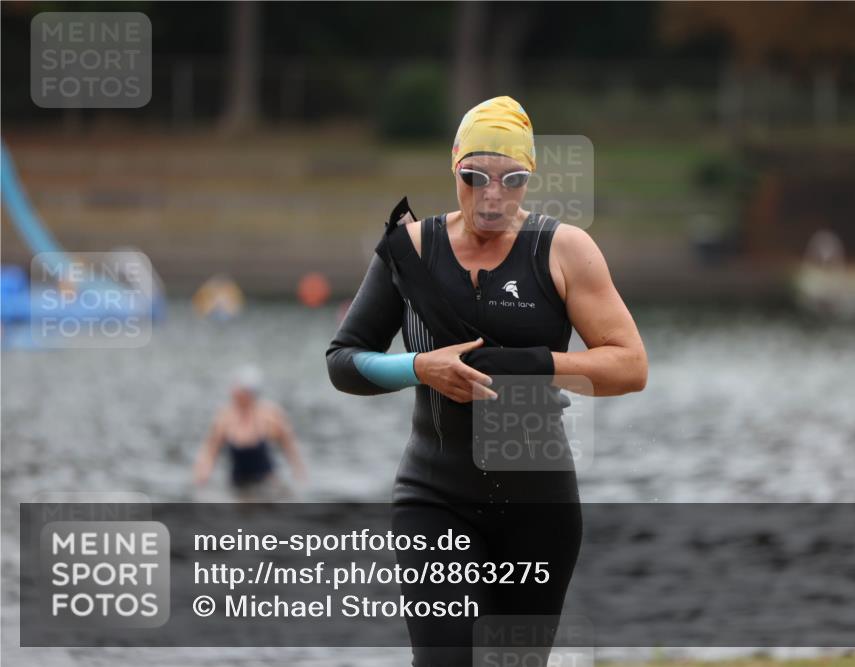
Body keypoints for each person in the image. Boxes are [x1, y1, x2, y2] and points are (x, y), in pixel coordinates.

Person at [326, 95, 647, 666]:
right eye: (474, 177)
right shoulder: (410, 250)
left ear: (530, 178)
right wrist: (419, 367)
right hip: (434, 496)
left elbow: (630, 366)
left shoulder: (564, 249)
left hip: (537, 505)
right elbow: (343, 361)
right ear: (454, 167)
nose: (492, 195)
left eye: (511, 179)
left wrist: (536, 364)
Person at [193, 365, 306, 499]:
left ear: (250, 393)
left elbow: (289, 448)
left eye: (239, 390)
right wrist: (202, 475)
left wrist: (299, 474)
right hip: (237, 483)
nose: (234, 393)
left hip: (266, 483)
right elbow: (210, 451)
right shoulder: (225, 418)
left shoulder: (270, 415)